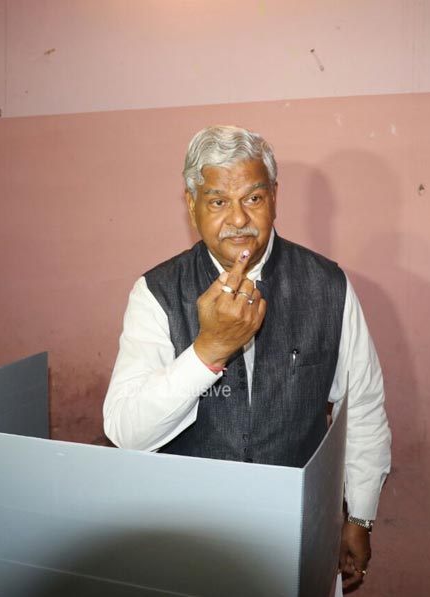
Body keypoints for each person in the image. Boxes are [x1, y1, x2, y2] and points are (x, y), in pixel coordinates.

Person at [103, 125, 391, 592]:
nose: (237, 219)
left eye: (253, 199)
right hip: (188, 545)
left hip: (296, 536)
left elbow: (362, 406)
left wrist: (359, 515)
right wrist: (208, 350)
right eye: (218, 202)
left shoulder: (328, 287)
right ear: (192, 204)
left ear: (275, 197)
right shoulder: (155, 293)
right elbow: (127, 433)